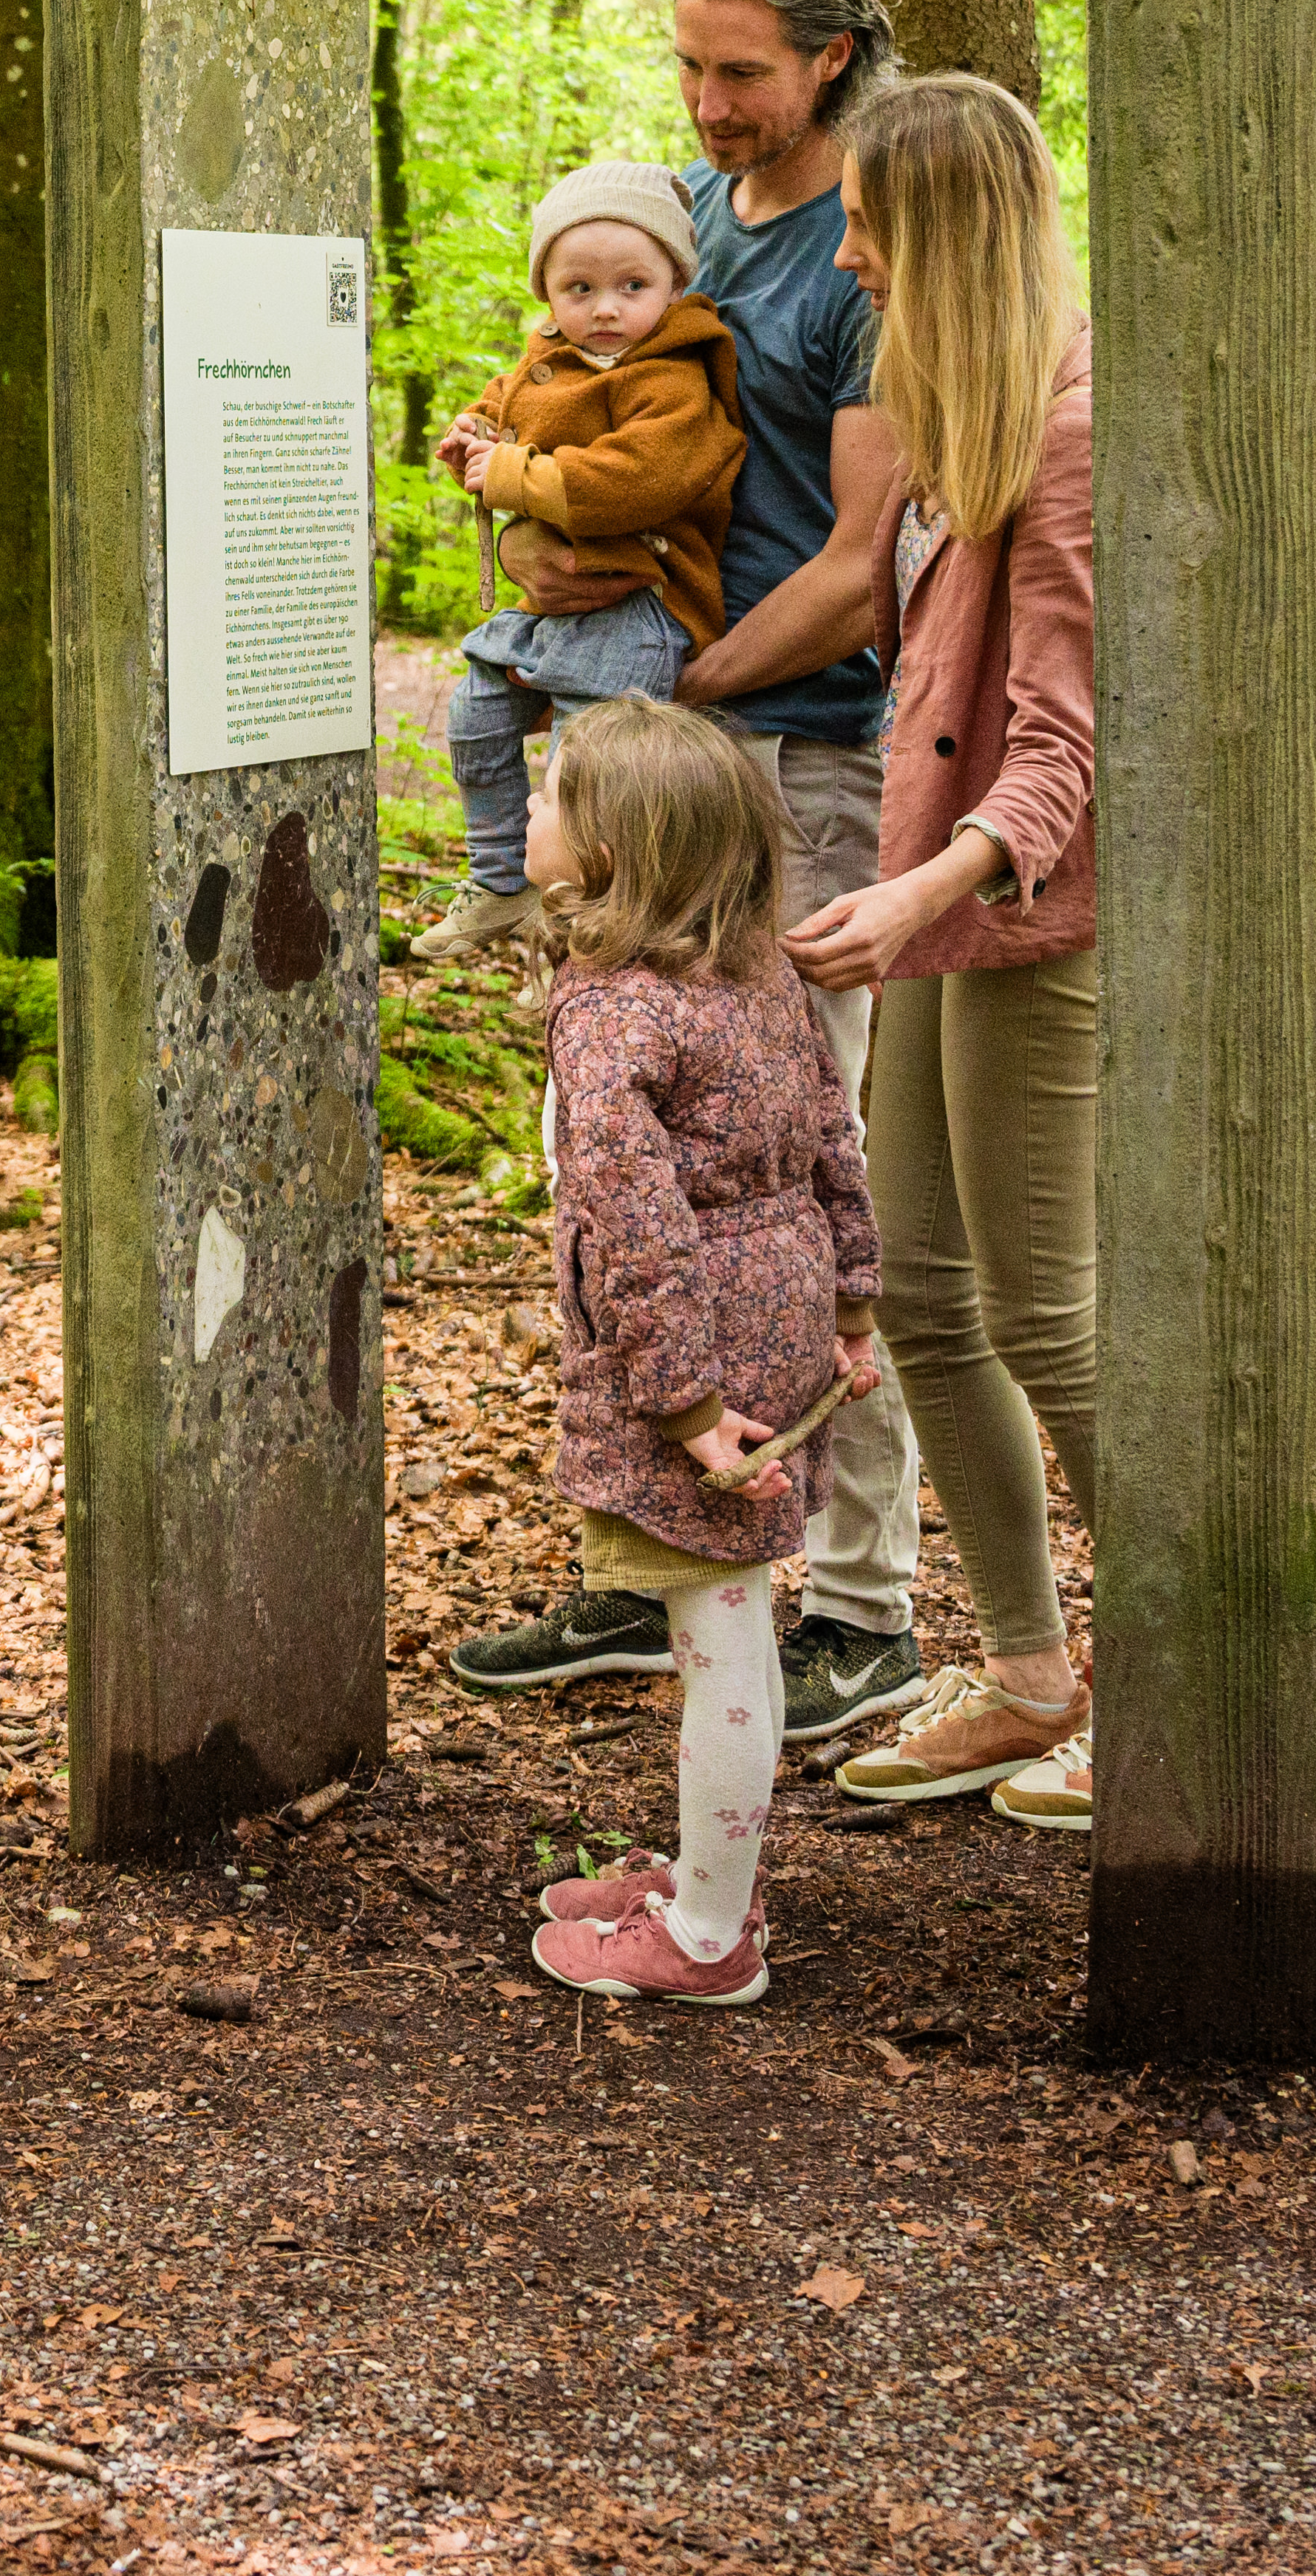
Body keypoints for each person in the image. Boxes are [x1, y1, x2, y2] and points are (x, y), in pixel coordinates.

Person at [445, 0, 925, 1743]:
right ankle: (653, 1563)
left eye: (739, 71)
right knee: (608, 1154)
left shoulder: (857, 255)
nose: (708, 104)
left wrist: (674, 692)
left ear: (826, 56)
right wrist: (529, 543)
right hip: (639, 762)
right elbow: (570, 440)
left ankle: (863, 1602)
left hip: (791, 763)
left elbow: (857, 570)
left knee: (803, 1180)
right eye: (687, 66)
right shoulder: (663, 225)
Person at [784, 73, 1103, 1834]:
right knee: (913, 1288)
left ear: (948, 236)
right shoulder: (950, 420)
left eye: (869, 228)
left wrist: (920, 897)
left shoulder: (1065, 431)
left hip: (1028, 922)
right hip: (932, 912)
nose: (845, 257)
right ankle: (1028, 1671)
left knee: (1044, 1310)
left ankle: (1183, 1683)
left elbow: (1058, 744)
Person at [511, 698, 882, 2009]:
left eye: (551, 795)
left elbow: (631, 1218)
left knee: (717, 1628)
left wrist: (680, 1404)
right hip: (781, 1313)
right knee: (736, 1617)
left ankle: (711, 1933)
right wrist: (851, 1297)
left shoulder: (611, 1008)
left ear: (612, 848)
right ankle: (706, 1870)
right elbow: (837, 1129)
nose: (531, 811)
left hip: (701, 1349)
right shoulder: (759, 969)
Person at [413, 164, 746, 964]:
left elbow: (638, 480)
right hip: (558, 603)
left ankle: (592, 907)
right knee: (474, 719)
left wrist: (515, 476)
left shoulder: (674, 377)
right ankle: (499, 881)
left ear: (673, 285)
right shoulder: (551, 356)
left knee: (585, 774)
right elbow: (505, 399)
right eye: (579, 287)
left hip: (642, 602)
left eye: (633, 284)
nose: (605, 307)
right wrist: (475, 432)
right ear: (548, 293)